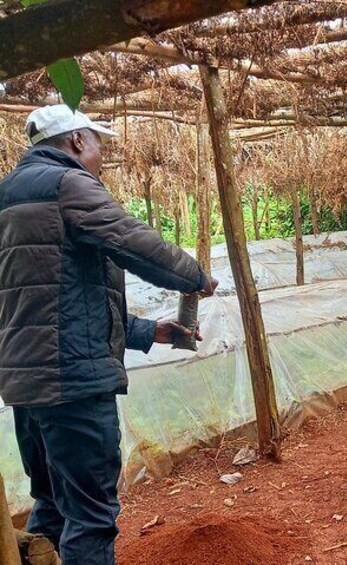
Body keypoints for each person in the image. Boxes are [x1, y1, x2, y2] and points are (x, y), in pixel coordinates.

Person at [0, 104, 218, 565]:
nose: (101, 154)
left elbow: (43, 297)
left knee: (54, 506)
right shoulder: (68, 183)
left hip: (26, 384)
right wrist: (194, 276)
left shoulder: (7, 194)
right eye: (97, 142)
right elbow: (131, 239)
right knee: (92, 518)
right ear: (77, 141)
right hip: (73, 382)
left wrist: (145, 331)